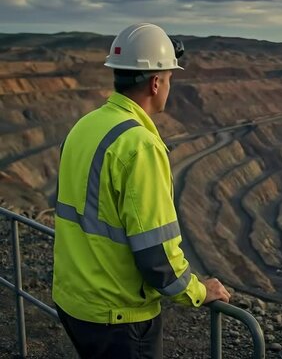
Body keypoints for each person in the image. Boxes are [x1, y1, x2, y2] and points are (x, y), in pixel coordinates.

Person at [52, 23, 230, 359]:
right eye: (170, 78)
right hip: (118, 317)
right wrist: (197, 290)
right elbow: (157, 255)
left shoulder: (84, 126)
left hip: (74, 303)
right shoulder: (139, 146)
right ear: (156, 82)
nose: (169, 87)